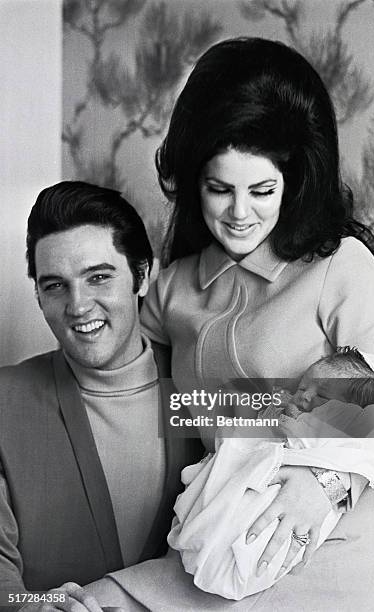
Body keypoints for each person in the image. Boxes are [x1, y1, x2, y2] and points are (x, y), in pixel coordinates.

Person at [83, 37, 374, 611]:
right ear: (192, 181)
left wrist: (327, 483)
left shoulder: (338, 266)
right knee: (81, 601)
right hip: (223, 539)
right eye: (219, 190)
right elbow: (136, 394)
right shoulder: (171, 288)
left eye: (261, 191)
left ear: (294, 180)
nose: (239, 213)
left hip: (327, 547)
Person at [0, 181, 202, 610]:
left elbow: (370, 418)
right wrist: (28, 604)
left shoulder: (197, 382)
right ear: (38, 294)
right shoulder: (5, 403)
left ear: (142, 275)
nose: (78, 305)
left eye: (98, 278)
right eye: (55, 285)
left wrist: (323, 480)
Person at [167, 347, 374, 601]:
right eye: (302, 389)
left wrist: (332, 479)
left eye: (323, 397)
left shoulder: (350, 444)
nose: (304, 397)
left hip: (291, 530)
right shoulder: (285, 418)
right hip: (214, 522)